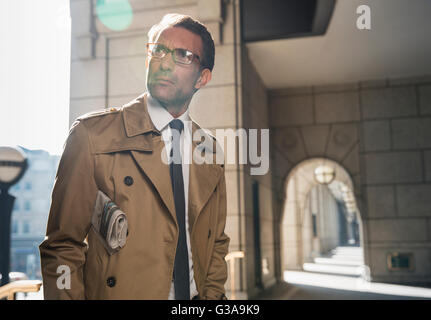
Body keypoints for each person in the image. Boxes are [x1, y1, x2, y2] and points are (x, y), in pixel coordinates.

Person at [39, 13, 230, 300]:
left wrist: (213, 297)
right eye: (159, 50)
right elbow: (63, 246)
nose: (164, 62)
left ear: (202, 77)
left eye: (183, 56)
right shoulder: (92, 135)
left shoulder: (210, 151)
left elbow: (215, 242)